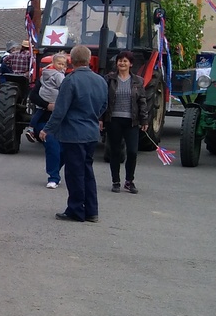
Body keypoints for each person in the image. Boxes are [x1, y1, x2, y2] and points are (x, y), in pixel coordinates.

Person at [43, 44, 106, 222]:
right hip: (91, 132)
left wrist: (48, 129)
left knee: (74, 173)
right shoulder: (100, 80)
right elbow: (104, 106)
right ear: (88, 59)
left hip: (74, 133)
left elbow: (60, 110)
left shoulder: (70, 80)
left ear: (72, 60)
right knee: (87, 171)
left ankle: (76, 209)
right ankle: (92, 210)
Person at [103, 51, 146, 194]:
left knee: (132, 152)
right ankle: (116, 181)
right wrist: (101, 119)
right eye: (120, 61)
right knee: (115, 151)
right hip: (113, 120)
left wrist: (144, 119)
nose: (122, 63)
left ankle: (129, 181)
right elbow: (104, 100)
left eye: (125, 61)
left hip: (131, 121)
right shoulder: (109, 79)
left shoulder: (138, 81)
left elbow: (142, 101)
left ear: (131, 64)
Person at [27, 52, 66, 144]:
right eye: (59, 63)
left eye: (63, 64)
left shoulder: (46, 73)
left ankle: (31, 128)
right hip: (51, 103)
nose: (61, 66)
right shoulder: (58, 76)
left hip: (45, 98)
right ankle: (33, 129)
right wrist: (47, 105)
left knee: (39, 112)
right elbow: (64, 88)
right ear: (53, 63)